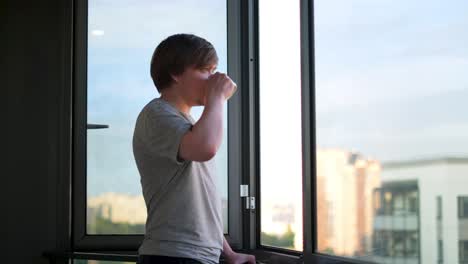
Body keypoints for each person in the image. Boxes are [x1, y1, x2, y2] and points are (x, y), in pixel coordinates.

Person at [132, 33, 256, 264]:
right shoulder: (157, 114)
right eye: (206, 70)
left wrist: (227, 253)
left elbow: (200, 201)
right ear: (176, 73)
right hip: (173, 256)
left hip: (194, 256)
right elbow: (206, 147)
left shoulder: (189, 125)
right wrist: (217, 97)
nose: (213, 78)